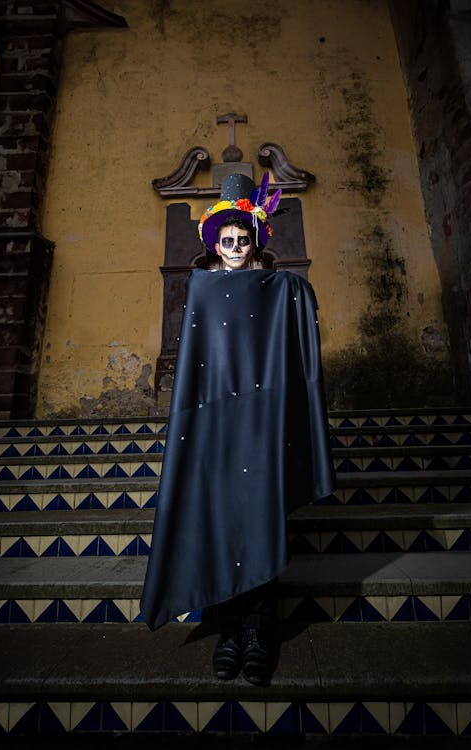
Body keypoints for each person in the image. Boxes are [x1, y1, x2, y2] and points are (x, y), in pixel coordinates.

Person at [141, 172, 335, 686]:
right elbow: (196, 367)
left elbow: (298, 335)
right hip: (213, 429)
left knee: (258, 519)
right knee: (218, 523)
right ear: (215, 244)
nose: (232, 248)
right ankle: (228, 633)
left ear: (254, 242)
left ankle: (258, 634)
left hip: (261, 425)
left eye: (241, 240)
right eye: (224, 241)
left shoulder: (282, 289)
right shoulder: (201, 290)